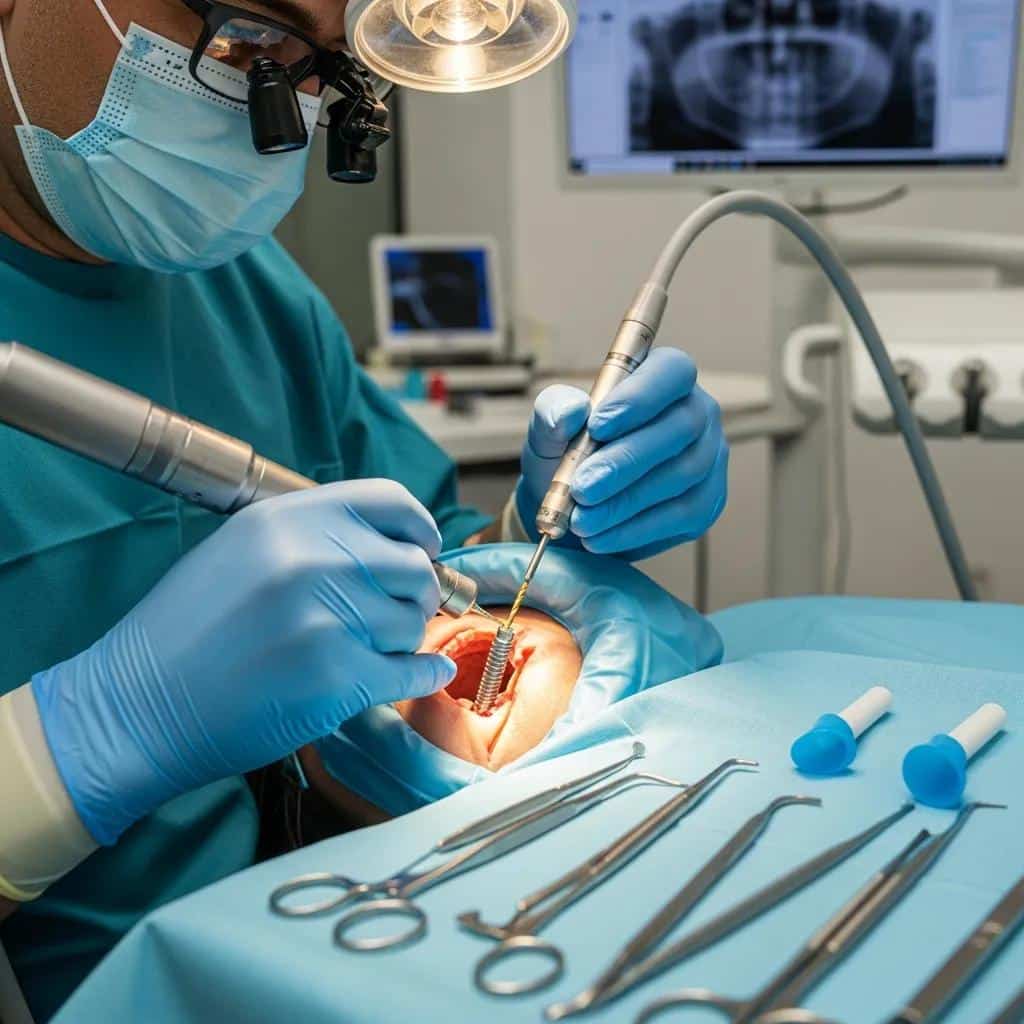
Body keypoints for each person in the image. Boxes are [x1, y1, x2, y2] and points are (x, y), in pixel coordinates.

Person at [0, 1, 729, 1018]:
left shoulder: (247, 291)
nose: (284, 108)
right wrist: (62, 755)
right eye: (252, 42)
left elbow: (435, 559)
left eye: (327, 73)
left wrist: (550, 525)